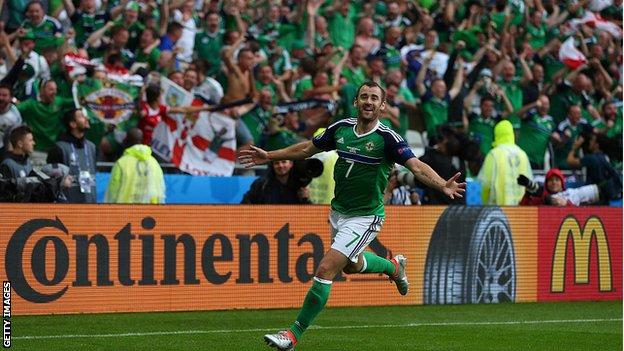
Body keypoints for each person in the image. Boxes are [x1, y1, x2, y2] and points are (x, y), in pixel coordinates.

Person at [239, 81, 465, 350]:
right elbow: (305, 150)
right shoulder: (340, 129)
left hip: (366, 217)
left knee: (326, 269)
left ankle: (293, 334)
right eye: (364, 97)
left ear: (382, 106)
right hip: (339, 212)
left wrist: (441, 184)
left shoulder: (388, 138)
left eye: (374, 98)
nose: (369, 102)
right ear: (356, 102)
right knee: (352, 265)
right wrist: (269, 155)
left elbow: (415, 166)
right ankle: (394, 267)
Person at [46, 108, 97, 203]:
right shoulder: (59, 148)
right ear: (72, 124)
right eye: (82, 116)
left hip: (90, 205)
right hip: (68, 207)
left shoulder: (92, 147)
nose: (87, 118)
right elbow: (51, 180)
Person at [478, 120, 532, 205]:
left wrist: (484, 203)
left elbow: (486, 184)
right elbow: (529, 183)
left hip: (499, 210)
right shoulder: (522, 154)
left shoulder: (493, 154)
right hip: (521, 210)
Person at [105, 128, 165, 204]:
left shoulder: (122, 163)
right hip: (150, 210)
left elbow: (113, 190)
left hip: (127, 210)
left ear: (127, 140)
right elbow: (160, 189)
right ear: (141, 140)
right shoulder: (154, 163)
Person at [240, 159, 311, 204]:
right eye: (276, 163)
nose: (280, 165)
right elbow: (246, 204)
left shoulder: (299, 185)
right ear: (272, 166)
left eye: (284, 162)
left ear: (291, 164)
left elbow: (307, 213)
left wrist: (305, 199)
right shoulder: (261, 184)